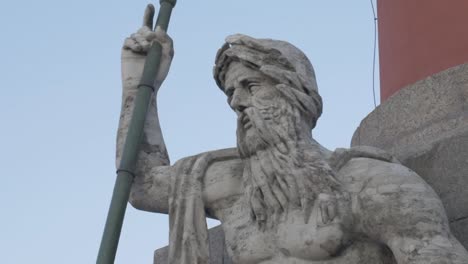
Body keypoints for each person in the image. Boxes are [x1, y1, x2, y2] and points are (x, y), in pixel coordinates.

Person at [117, 5, 468, 264]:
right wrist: (136, 86)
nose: (237, 103)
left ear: (294, 95)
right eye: (230, 93)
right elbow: (142, 184)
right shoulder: (229, 186)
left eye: (251, 86)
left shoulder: (372, 184)